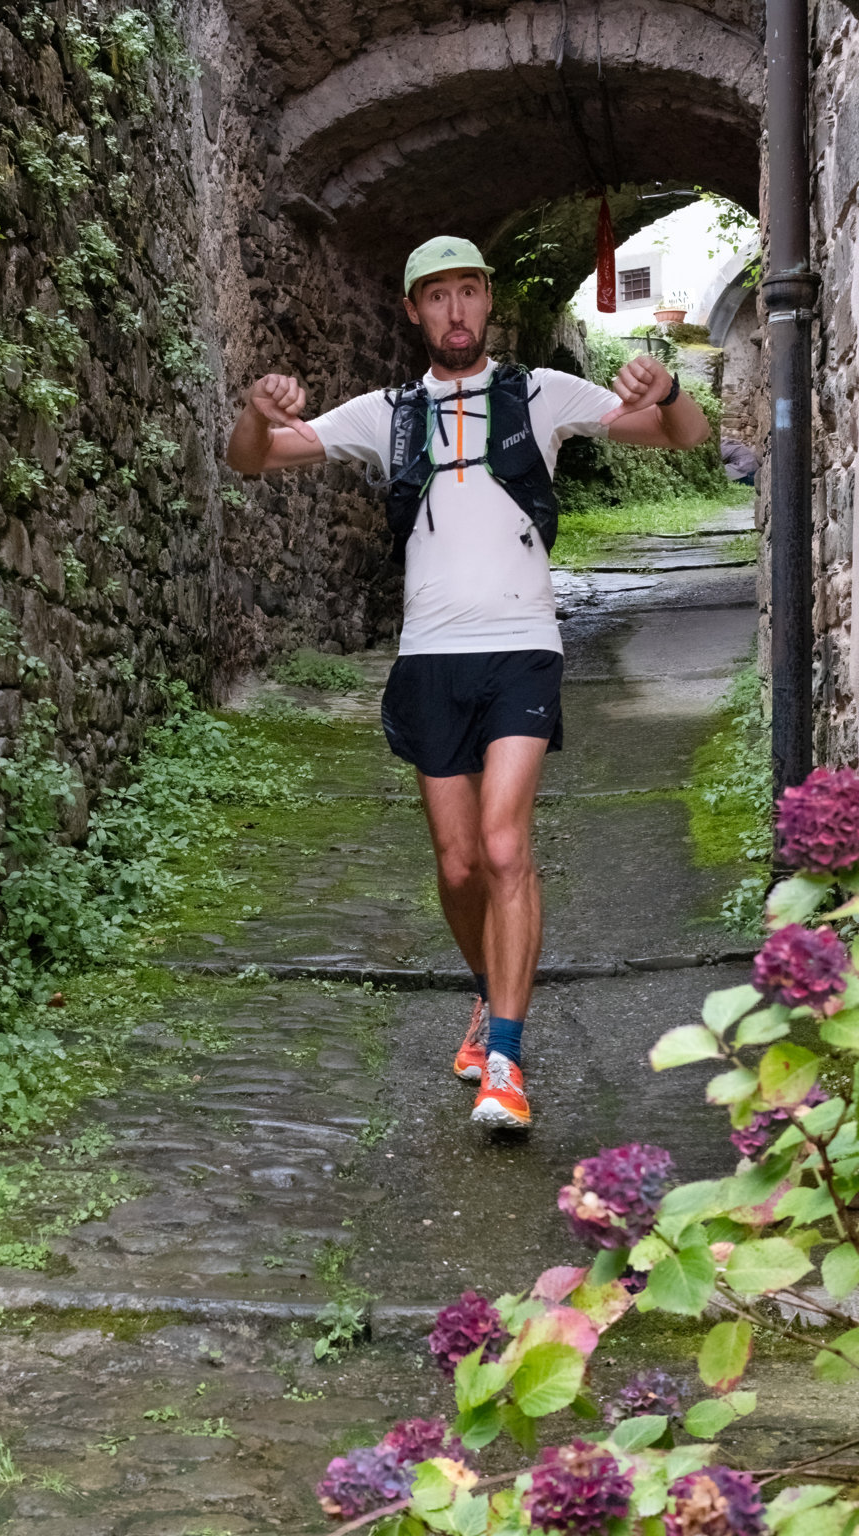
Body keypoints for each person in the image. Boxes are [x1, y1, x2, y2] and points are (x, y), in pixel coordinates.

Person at [226, 236, 710, 1130]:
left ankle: (507, 1064)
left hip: (523, 648)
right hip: (429, 659)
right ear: (414, 310)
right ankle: (489, 993)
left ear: (488, 299)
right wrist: (258, 411)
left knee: (501, 846)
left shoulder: (539, 393)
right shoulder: (388, 413)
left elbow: (685, 436)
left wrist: (669, 389)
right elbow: (252, 458)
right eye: (437, 295)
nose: (456, 310)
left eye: (469, 292)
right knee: (455, 867)